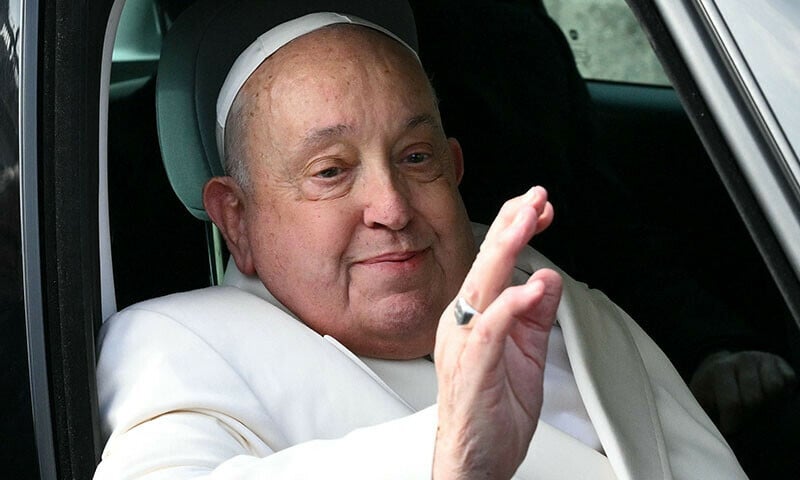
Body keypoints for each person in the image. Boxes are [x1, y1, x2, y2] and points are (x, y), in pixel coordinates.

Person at [94, 2, 746, 478]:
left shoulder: (539, 283)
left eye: (414, 157)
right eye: (331, 171)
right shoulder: (175, 344)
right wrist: (447, 456)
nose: (391, 207)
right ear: (236, 218)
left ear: (455, 169)